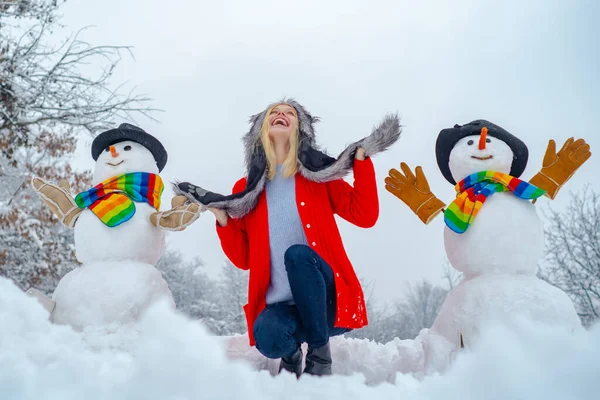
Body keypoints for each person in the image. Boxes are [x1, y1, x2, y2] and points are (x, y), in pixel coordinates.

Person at [175, 99, 400, 377]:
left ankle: (320, 356)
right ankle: (291, 355)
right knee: (268, 335)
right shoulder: (246, 191)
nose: (281, 114)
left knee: (297, 255)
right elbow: (244, 259)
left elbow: (364, 215)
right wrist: (223, 220)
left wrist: (362, 163)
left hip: (328, 303)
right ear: (260, 130)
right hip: (284, 307)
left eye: (290, 113)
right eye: (274, 112)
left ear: (301, 129)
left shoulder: (319, 179)